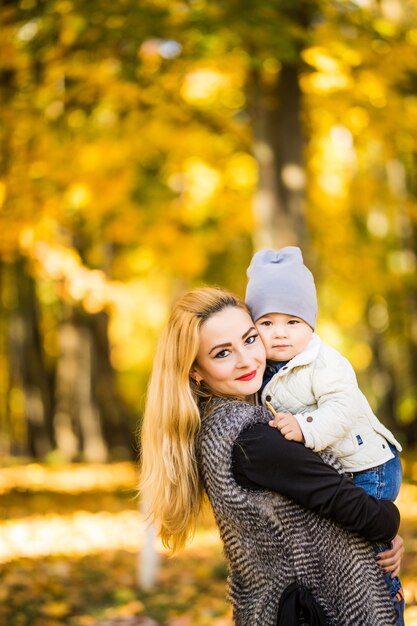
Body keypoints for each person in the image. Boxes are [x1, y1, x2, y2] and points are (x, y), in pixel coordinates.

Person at [140, 286, 403, 626]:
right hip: (329, 611)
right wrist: (387, 526)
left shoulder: (223, 425)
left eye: (250, 339)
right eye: (222, 353)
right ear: (196, 371)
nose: (247, 360)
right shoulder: (252, 437)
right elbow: (356, 508)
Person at [245, 246, 404, 622]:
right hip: (344, 469)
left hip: (371, 467)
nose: (279, 333)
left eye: (292, 322)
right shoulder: (265, 367)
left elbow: (344, 410)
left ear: (310, 324)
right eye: (266, 324)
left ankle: (387, 598)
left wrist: (304, 427)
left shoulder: (324, 362)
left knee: (367, 549)